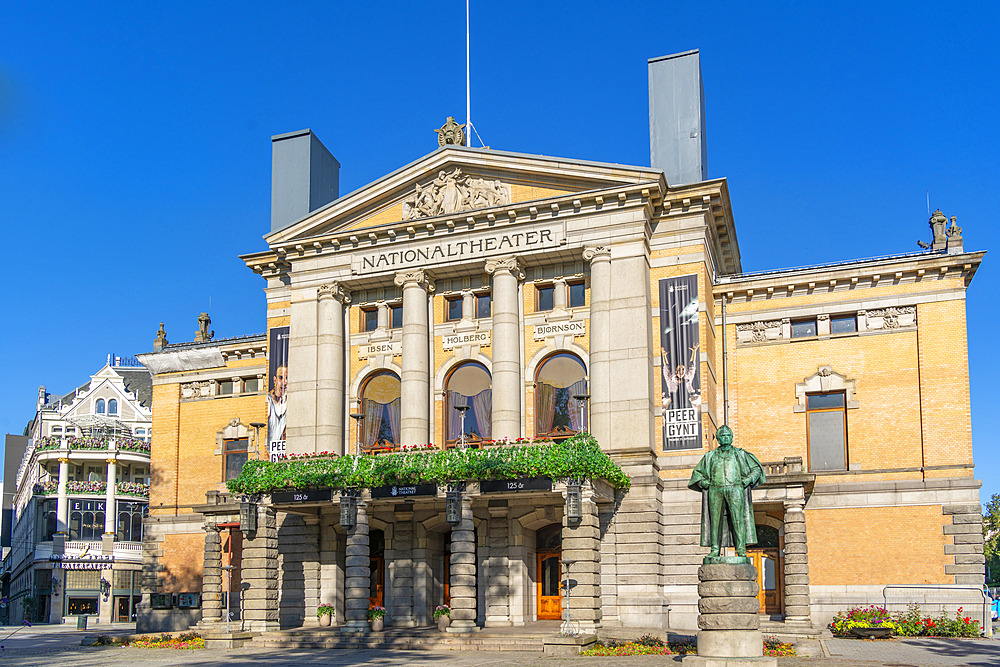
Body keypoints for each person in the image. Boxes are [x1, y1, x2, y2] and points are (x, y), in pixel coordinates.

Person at [688, 425, 765, 558]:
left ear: (732, 438)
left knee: (738, 519)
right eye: (723, 436)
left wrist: (747, 480)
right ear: (718, 439)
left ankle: (741, 549)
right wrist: (703, 482)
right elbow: (697, 473)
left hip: (735, 488)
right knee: (715, 520)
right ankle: (715, 549)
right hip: (715, 489)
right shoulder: (710, 456)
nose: (726, 438)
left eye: (728, 436)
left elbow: (757, 469)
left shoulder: (740, 454)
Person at [266, 364, 287, 459]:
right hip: (269, 457)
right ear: (275, 380)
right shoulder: (268, 401)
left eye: (287, 378)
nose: (284, 382)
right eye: (281, 378)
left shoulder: (290, 402)